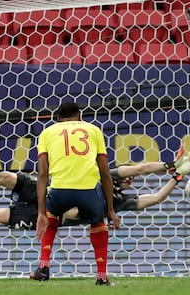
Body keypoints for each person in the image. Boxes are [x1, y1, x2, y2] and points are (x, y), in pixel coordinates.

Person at [0, 151, 190, 230]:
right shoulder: (106, 176)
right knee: (5, 176)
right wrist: (170, 164)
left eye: (129, 182)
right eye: (126, 178)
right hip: (47, 190)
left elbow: (157, 197)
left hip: (51, 215)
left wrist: (177, 178)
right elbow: (138, 168)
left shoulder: (121, 202)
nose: (129, 180)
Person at [33, 102, 117, 286]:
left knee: (51, 215)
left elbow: (42, 174)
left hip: (60, 190)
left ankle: (44, 266)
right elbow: (105, 172)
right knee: (97, 221)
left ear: (58, 118)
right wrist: (110, 209)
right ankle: (102, 277)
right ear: (79, 115)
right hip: (88, 191)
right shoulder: (94, 130)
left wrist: (41, 213)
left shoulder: (47, 133)